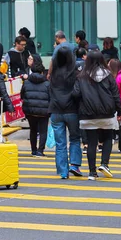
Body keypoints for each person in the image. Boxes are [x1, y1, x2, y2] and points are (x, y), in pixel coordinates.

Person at [74, 51, 121, 180]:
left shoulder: (81, 76)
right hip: (107, 113)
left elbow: (76, 94)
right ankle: (104, 164)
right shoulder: (109, 76)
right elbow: (116, 95)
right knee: (107, 138)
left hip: (87, 114)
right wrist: (120, 111)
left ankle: (91, 172)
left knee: (91, 142)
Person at [49, 46, 82, 179]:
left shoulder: (53, 74)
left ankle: (63, 171)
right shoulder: (74, 73)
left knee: (60, 143)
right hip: (72, 110)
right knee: (74, 138)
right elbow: (78, 92)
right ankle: (74, 164)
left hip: (56, 110)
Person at [21, 54, 50, 157]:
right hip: (44, 111)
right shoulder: (47, 83)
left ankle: (33, 150)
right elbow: (50, 97)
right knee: (43, 131)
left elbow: (22, 95)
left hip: (30, 110)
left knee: (33, 130)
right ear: (42, 72)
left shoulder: (26, 82)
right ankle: (40, 151)